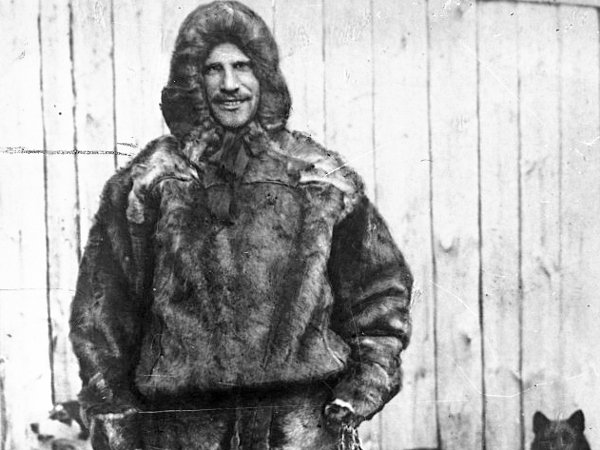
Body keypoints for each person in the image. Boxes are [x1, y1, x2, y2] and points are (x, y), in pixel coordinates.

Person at [69, 2, 413, 449]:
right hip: (183, 430)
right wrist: (114, 411)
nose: (229, 84)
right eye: (213, 69)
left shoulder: (320, 181)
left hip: (298, 426)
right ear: (193, 80)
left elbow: (378, 291)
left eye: (242, 66)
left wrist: (363, 384)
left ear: (263, 75)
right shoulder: (149, 183)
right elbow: (104, 309)